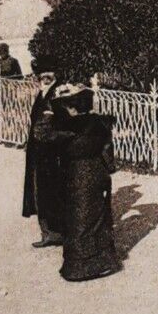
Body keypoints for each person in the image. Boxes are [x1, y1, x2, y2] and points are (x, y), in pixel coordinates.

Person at [48, 84, 122, 282]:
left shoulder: (67, 127)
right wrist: (108, 170)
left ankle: (76, 266)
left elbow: (51, 144)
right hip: (96, 172)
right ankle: (102, 262)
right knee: (97, 216)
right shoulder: (100, 125)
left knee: (76, 217)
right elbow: (108, 152)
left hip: (73, 173)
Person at [21, 72, 65, 247]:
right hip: (39, 150)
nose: (41, 80)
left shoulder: (55, 94)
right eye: (40, 77)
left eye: (45, 76)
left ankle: (54, 232)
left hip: (49, 152)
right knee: (41, 190)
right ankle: (49, 231)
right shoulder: (44, 93)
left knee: (48, 190)